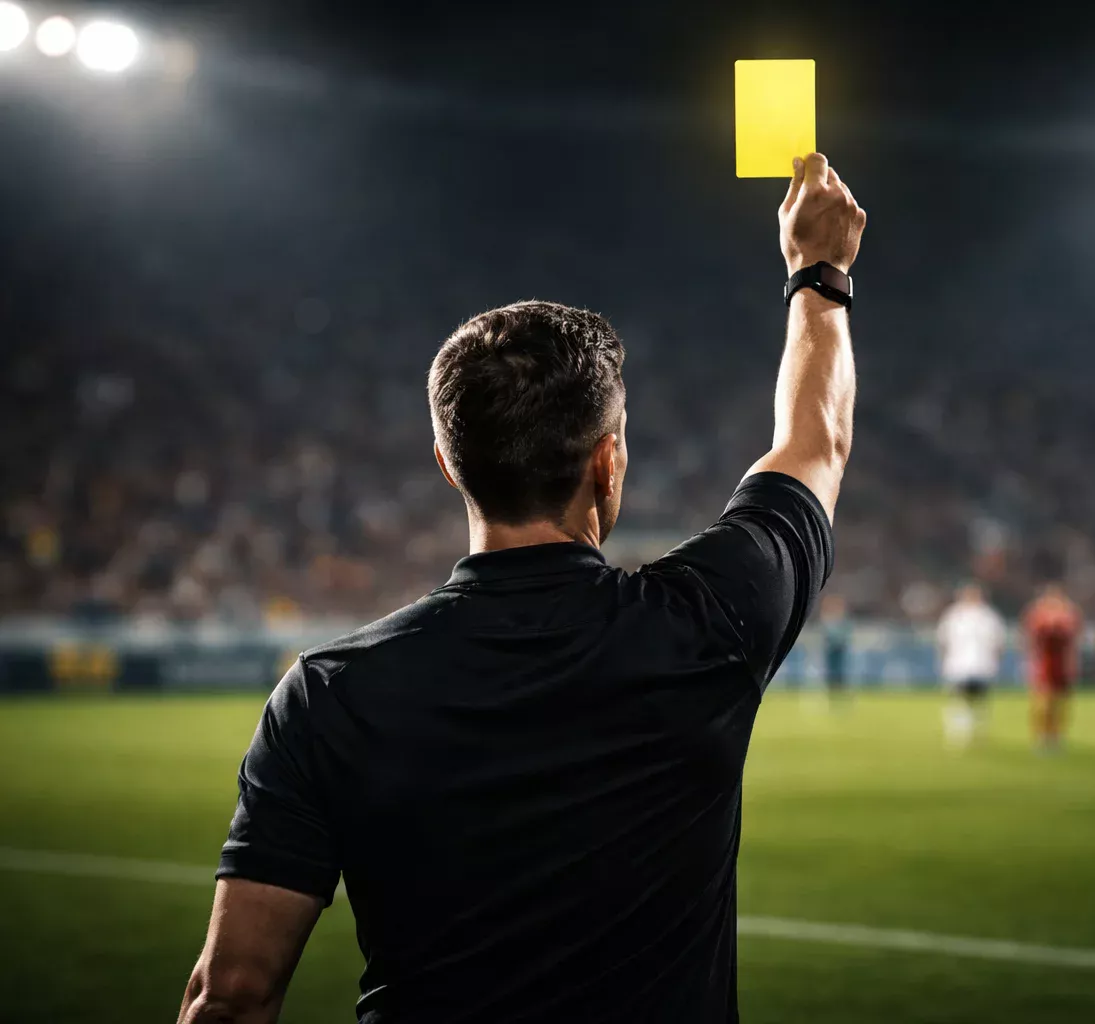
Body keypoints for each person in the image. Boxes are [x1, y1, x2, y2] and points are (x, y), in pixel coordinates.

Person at [175, 152, 865, 1024]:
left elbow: (231, 994)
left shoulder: (325, 694)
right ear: (606, 463)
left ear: (447, 466)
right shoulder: (707, 621)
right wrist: (819, 275)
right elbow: (816, 442)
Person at [934, 583, 1008, 748]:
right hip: (958, 665)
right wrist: (943, 662)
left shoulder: (989, 617)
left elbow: (999, 643)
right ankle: (958, 733)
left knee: (979, 701)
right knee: (958, 699)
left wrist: (996, 663)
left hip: (982, 666)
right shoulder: (954, 615)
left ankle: (978, 732)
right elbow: (942, 641)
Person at [1022, 583, 1081, 752]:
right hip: (1043, 664)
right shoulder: (1038, 614)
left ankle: (1056, 735)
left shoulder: (1069, 614)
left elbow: (1072, 635)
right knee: (1043, 702)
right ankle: (1042, 735)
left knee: (1060, 703)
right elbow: (1032, 636)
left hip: (1062, 664)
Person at [819, 593, 853, 703]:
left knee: (840, 673)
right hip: (831, 651)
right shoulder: (828, 620)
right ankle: (833, 695)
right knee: (831, 673)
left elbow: (845, 636)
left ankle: (840, 695)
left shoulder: (841, 620)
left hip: (839, 650)